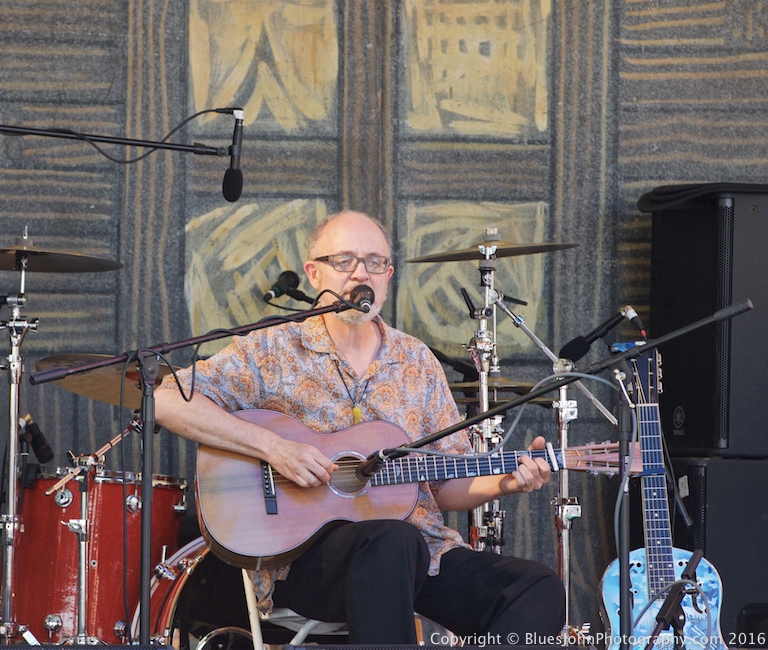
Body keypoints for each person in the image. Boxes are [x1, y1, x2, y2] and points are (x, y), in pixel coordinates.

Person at [155, 209, 564, 644]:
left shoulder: (416, 361)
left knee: (535, 588)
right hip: (308, 562)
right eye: (344, 261)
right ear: (314, 273)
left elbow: (446, 485)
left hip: (423, 555)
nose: (359, 273)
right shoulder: (273, 349)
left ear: (388, 275)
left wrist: (506, 482)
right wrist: (273, 447)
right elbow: (165, 399)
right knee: (392, 540)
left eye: (373, 262)